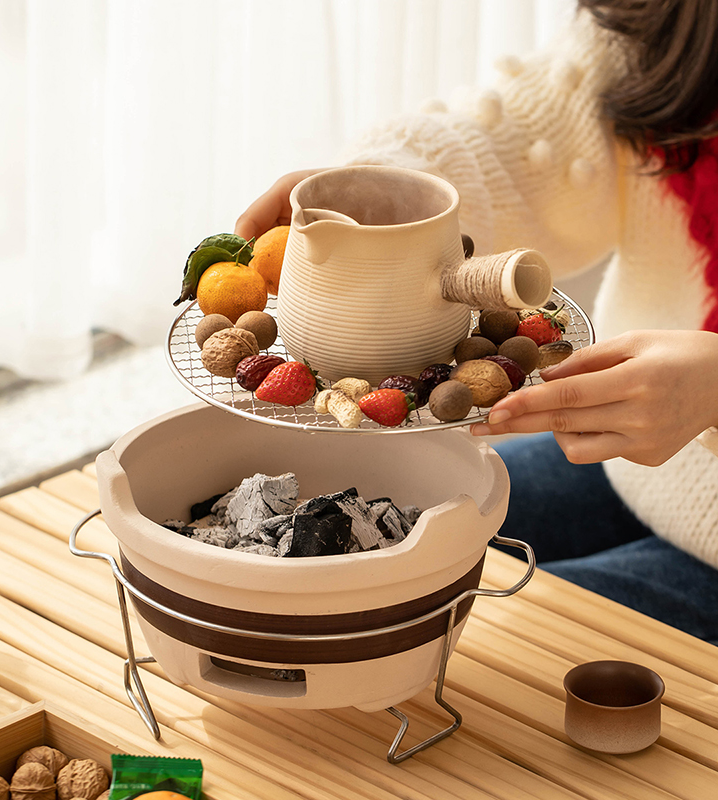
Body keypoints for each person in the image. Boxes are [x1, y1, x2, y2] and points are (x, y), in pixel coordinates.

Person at [234, 0, 718, 645]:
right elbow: (521, 143)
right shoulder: (677, 19)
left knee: (465, 640)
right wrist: (392, 192)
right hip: (635, 467)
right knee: (359, 557)